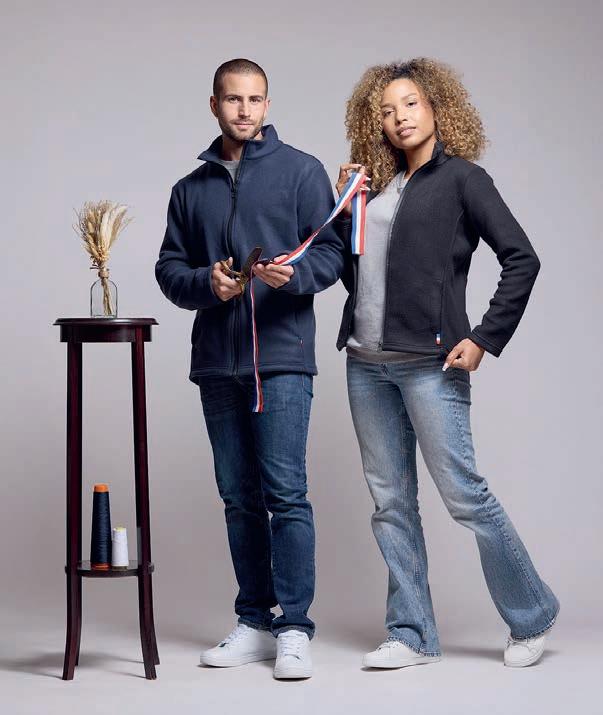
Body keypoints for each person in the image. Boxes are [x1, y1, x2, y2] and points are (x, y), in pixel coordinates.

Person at [334, 58, 559, 669]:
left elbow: (522, 258)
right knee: (390, 504)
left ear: (437, 106)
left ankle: (532, 615)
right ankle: (412, 634)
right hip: (365, 363)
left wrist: (484, 338)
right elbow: (358, 275)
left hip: (430, 364)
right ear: (374, 122)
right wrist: (345, 208)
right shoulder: (375, 189)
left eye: (410, 104)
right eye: (386, 110)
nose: (399, 118)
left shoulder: (464, 180)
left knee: (464, 496)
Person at [155, 58, 344, 680]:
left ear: (267, 103)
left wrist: (297, 276)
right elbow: (169, 270)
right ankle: (254, 621)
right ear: (214, 105)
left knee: (286, 496)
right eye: (233, 99)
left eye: (255, 99)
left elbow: (333, 253)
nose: (244, 110)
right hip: (217, 363)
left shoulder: (302, 171)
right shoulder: (190, 189)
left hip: (282, 359)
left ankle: (294, 628)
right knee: (238, 499)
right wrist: (205, 284)